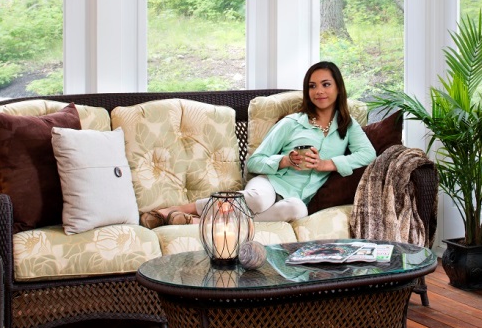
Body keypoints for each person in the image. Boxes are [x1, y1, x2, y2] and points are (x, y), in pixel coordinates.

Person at [140, 61, 375, 227]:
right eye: (312, 86)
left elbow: (368, 155)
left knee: (297, 211)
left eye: (326, 84)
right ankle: (181, 210)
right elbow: (254, 162)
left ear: (338, 88)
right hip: (270, 184)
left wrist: (327, 164)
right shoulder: (292, 123)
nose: (319, 91)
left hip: (297, 198)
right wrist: (285, 160)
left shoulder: (348, 126)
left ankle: (199, 222)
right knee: (259, 199)